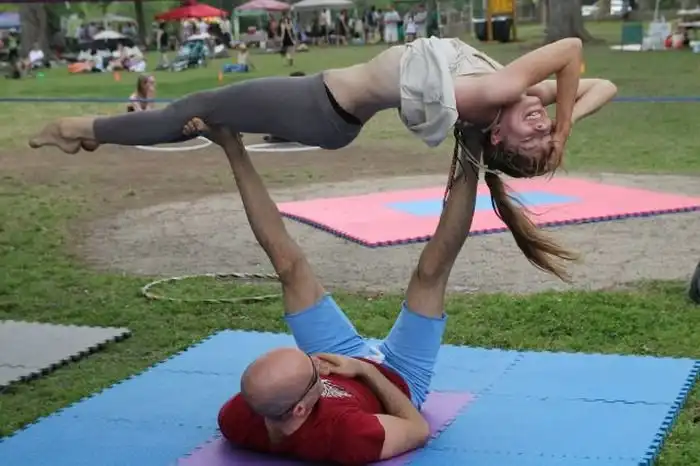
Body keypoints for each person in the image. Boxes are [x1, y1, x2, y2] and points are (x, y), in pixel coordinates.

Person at [29, 37, 616, 280]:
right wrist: (560, 130)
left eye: (535, 135)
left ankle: (80, 129)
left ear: (497, 139)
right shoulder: (513, 101)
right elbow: (602, 85)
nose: (542, 121)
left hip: (321, 106)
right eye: (545, 125)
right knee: (203, 112)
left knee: (200, 108)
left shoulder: (493, 95)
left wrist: (560, 133)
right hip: (334, 111)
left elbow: (571, 49)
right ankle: (95, 134)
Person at [184, 114, 481, 465]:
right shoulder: (345, 436)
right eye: (314, 370)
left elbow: (288, 383)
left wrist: (335, 365)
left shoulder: (239, 416)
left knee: (289, 268)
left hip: (342, 356)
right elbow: (417, 429)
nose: (316, 361)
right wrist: (366, 371)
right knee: (430, 274)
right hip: (397, 380)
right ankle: (473, 144)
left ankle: (232, 146)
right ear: (300, 409)